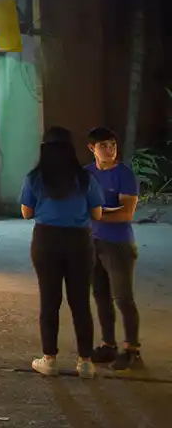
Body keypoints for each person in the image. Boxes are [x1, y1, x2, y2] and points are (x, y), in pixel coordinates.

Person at [20, 126, 104, 379]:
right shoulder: (85, 178)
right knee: (80, 302)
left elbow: (26, 212)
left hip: (46, 240)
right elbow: (97, 213)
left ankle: (49, 360)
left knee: (49, 301)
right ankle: (86, 362)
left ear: (44, 148)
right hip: (79, 241)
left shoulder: (35, 177)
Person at [85, 127, 143, 371]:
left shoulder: (124, 175)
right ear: (92, 148)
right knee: (101, 296)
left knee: (123, 298)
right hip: (92, 243)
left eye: (112, 145)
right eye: (103, 146)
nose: (109, 150)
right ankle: (108, 344)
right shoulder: (86, 174)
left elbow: (126, 213)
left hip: (118, 244)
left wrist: (94, 215)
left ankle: (132, 350)